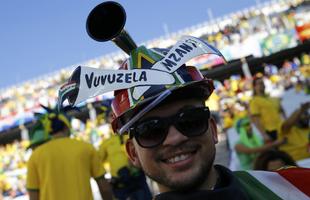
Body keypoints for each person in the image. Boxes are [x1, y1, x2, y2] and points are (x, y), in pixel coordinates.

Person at [57, 2, 310, 198]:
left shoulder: (295, 188)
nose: (175, 137)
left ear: (212, 128)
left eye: (190, 120)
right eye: (151, 130)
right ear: (133, 153)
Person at [26, 108, 113, 200]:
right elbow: (104, 187)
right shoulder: (86, 148)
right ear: (66, 127)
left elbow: (33, 195)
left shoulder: (35, 156)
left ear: (48, 130)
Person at [98, 101, 152, 200]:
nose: (113, 118)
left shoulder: (132, 133)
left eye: (114, 115)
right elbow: (97, 161)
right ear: (107, 120)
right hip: (121, 185)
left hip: (137, 180)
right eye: (110, 116)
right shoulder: (106, 143)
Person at [249, 74, 286, 141]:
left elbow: (281, 110)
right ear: (254, 87)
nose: (262, 85)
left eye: (262, 83)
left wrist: (285, 120)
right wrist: (264, 134)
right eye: (259, 84)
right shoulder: (254, 101)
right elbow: (256, 120)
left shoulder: (271, 97)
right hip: (271, 131)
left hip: (282, 126)